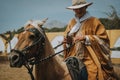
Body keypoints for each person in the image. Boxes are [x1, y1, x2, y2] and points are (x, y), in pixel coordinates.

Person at [63, 0, 116, 80]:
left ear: (86, 7)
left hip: (90, 57)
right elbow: (66, 39)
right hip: (72, 56)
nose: (78, 10)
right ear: (73, 9)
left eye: (81, 8)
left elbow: (103, 40)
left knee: (92, 74)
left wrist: (86, 38)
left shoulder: (94, 21)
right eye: (76, 9)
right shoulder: (71, 22)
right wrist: (68, 42)